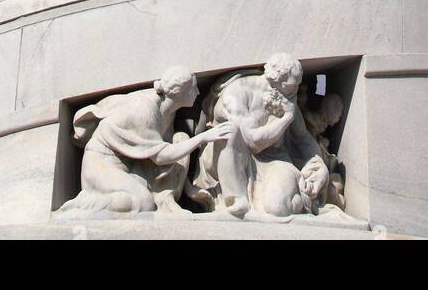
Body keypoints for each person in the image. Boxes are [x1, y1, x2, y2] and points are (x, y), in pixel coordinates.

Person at [60, 69, 231, 216]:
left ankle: (167, 200)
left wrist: (188, 187)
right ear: (179, 92)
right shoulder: (144, 109)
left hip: (131, 166)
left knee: (181, 139)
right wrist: (203, 137)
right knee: (143, 202)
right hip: (101, 165)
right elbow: (162, 156)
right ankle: (83, 205)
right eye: (193, 88)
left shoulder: (168, 111)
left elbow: (164, 152)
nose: (198, 92)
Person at [191, 54, 335, 219]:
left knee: (278, 208)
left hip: (275, 160)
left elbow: (302, 138)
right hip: (236, 161)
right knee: (230, 131)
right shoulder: (236, 94)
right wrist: (286, 118)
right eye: (292, 88)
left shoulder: (286, 95)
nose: (295, 93)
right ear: (274, 81)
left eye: (296, 88)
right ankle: (237, 199)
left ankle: (303, 197)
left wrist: (318, 166)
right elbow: (252, 141)